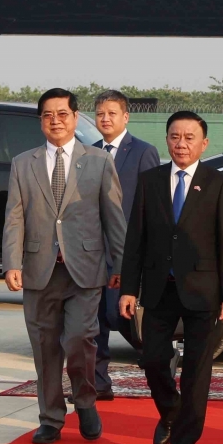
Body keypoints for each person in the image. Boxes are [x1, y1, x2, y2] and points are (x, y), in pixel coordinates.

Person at [2, 88, 125, 444]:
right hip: (39, 269)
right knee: (44, 347)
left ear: (75, 118)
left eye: (62, 114)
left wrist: (120, 264)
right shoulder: (23, 163)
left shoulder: (99, 162)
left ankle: (85, 399)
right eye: (47, 115)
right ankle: (51, 418)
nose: (55, 120)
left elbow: (113, 218)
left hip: (85, 269)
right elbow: (15, 217)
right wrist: (12, 261)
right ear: (40, 121)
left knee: (78, 340)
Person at [119, 111, 223, 444]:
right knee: (153, 360)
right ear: (166, 139)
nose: (181, 144)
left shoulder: (217, 183)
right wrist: (129, 288)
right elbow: (135, 240)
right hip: (158, 288)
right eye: (174, 136)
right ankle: (170, 410)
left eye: (189, 137)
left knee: (197, 372)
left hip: (203, 290)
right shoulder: (150, 181)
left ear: (204, 143)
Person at [90, 89, 159, 399]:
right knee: (93, 322)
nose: (105, 119)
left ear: (125, 117)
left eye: (112, 113)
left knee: (121, 315)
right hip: (91, 251)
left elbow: (151, 204)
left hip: (127, 252)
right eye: (101, 114)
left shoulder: (144, 152)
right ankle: (98, 383)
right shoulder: (88, 152)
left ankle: (162, 358)